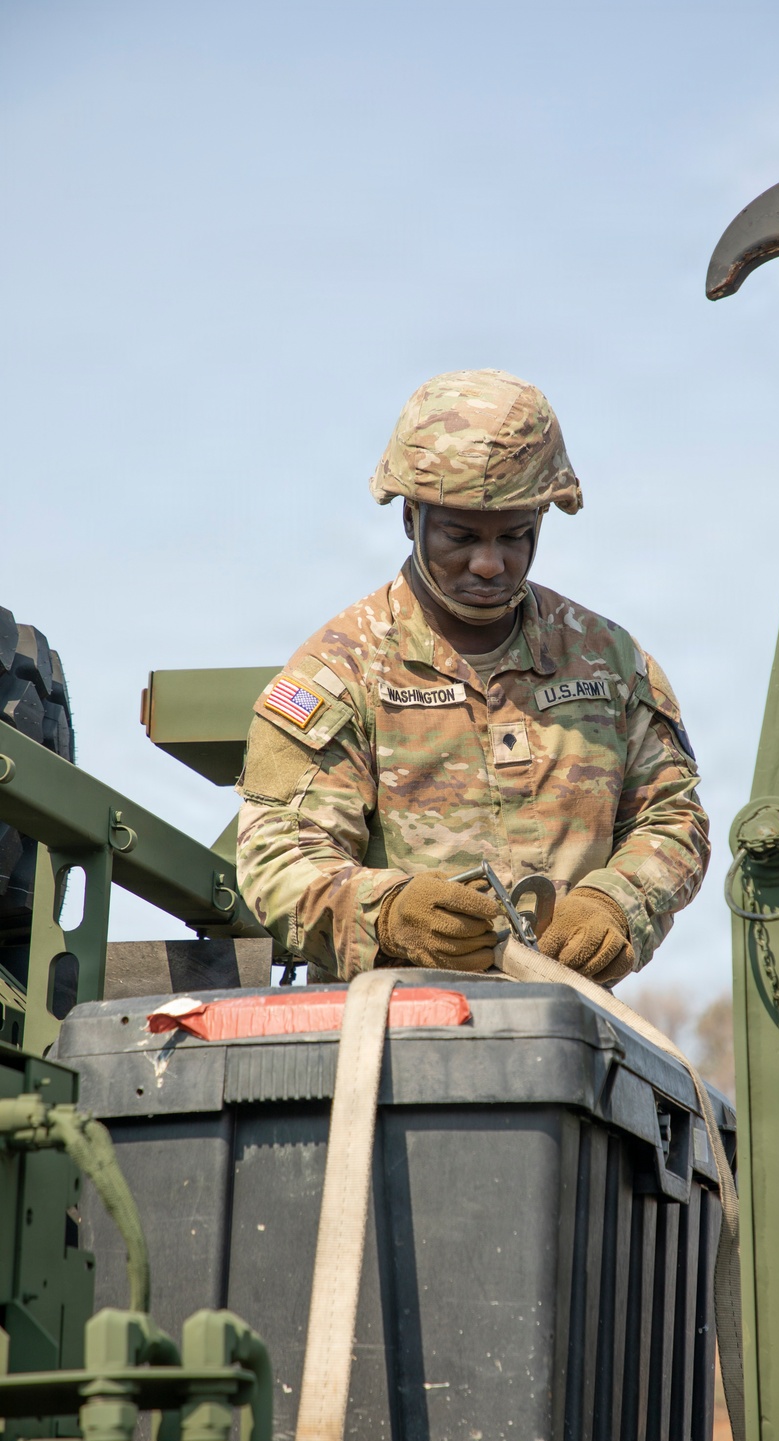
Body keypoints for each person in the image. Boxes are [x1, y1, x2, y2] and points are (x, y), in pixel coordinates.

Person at [236, 369, 709, 984]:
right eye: (460, 537)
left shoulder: (608, 661)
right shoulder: (341, 670)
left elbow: (673, 816)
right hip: (395, 1022)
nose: (488, 563)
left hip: (569, 1021)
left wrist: (614, 906)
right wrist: (389, 916)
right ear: (411, 518)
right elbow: (277, 851)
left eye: (514, 536)